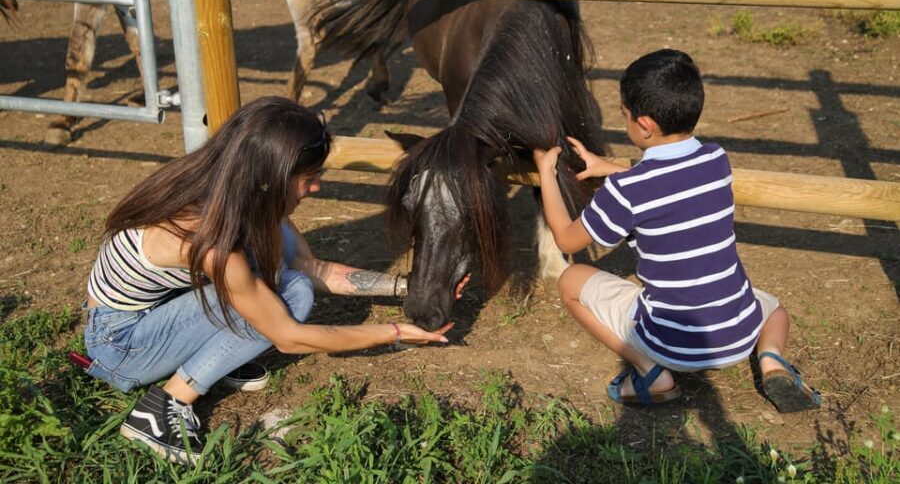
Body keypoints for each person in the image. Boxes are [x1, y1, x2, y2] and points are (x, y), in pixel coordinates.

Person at [82, 96, 465, 464]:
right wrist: (394, 332)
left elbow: (308, 266)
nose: (316, 188)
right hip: (121, 346)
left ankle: (214, 356)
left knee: (287, 282)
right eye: (309, 178)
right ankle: (163, 408)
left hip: (155, 314)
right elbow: (288, 336)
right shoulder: (211, 235)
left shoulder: (237, 190)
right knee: (285, 298)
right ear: (272, 173)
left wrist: (407, 287)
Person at [532, 49, 821, 412]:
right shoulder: (717, 159)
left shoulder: (627, 191)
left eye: (625, 116)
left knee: (571, 280)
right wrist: (609, 166)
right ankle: (772, 360)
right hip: (738, 335)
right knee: (775, 309)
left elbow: (566, 238)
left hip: (670, 345)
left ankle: (650, 372)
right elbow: (669, 182)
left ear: (645, 125)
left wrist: (546, 174)